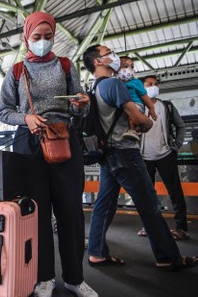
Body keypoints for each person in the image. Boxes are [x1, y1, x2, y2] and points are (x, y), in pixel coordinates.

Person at [0, 12, 96, 297]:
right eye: (36, 37)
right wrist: (25, 119)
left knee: (71, 212)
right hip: (29, 142)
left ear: (54, 36)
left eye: (47, 37)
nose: (42, 42)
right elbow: (3, 110)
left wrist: (81, 104)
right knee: (36, 213)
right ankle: (43, 277)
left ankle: (75, 279)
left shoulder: (66, 66)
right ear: (27, 37)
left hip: (64, 139)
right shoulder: (15, 71)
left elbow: (80, 108)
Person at [82, 44, 197, 273]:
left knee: (104, 205)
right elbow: (140, 119)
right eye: (109, 54)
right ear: (98, 61)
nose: (114, 57)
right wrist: (147, 123)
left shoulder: (94, 89)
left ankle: (96, 252)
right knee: (149, 205)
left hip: (108, 154)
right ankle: (168, 257)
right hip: (126, 152)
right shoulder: (114, 84)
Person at [138, 75, 189, 240]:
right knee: (147, 194)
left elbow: (180, 126)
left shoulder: (166, 106)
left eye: (156, 84)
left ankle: (181, 227)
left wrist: (176, 146)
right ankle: (149, 226)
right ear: (142, 87)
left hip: (166, 154)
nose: (154, 86)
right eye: (149, 84)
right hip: (144, 157)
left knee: (175, 192)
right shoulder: (137, 107)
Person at [117, 56, 157, 141]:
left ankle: (133, 131)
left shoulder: (136, 82)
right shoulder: (117, 83)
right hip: (126, 105)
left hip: (136, 104)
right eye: (125, 66)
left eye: (132, 66)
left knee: (132, 116)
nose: (129, 69)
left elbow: (144, 95)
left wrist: (151, 108)